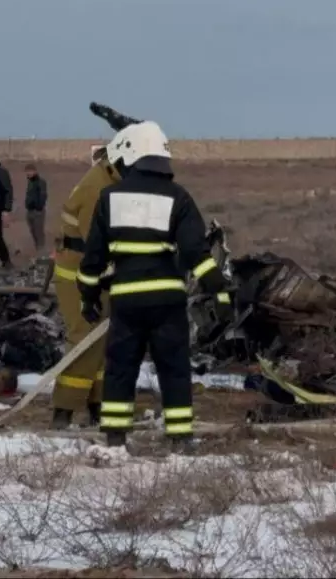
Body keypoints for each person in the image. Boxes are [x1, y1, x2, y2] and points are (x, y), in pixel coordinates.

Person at [76, 121, 232, 450]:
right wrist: (218, 290)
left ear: (129, 153)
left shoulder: (109, 198)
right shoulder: (179, 197)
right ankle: (180, 439)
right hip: (167, 301)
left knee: (120, 369)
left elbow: (92, 259)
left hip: (126, 301)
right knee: (174, 369)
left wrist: (88, 297)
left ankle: (116, 438)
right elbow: (196, 254)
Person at [49, 102, 142, 430]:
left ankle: (99, 407)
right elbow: (100, 242)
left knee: (105, 342)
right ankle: (63, 411)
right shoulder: (97, 189)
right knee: (86, 340)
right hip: (79, 275)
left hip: (97, 274)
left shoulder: (112, 178)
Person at [24, 163, 48, 253]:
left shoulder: (41, 182)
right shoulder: (30, 182)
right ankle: (38, 250)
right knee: (33, 232)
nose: (28, 173)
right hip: (30, 211)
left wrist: (38, 207)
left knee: (39, 233)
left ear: (35, 171)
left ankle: (42, 253)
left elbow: (43, 195)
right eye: (27, 172)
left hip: (37, 212)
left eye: (30, 171)